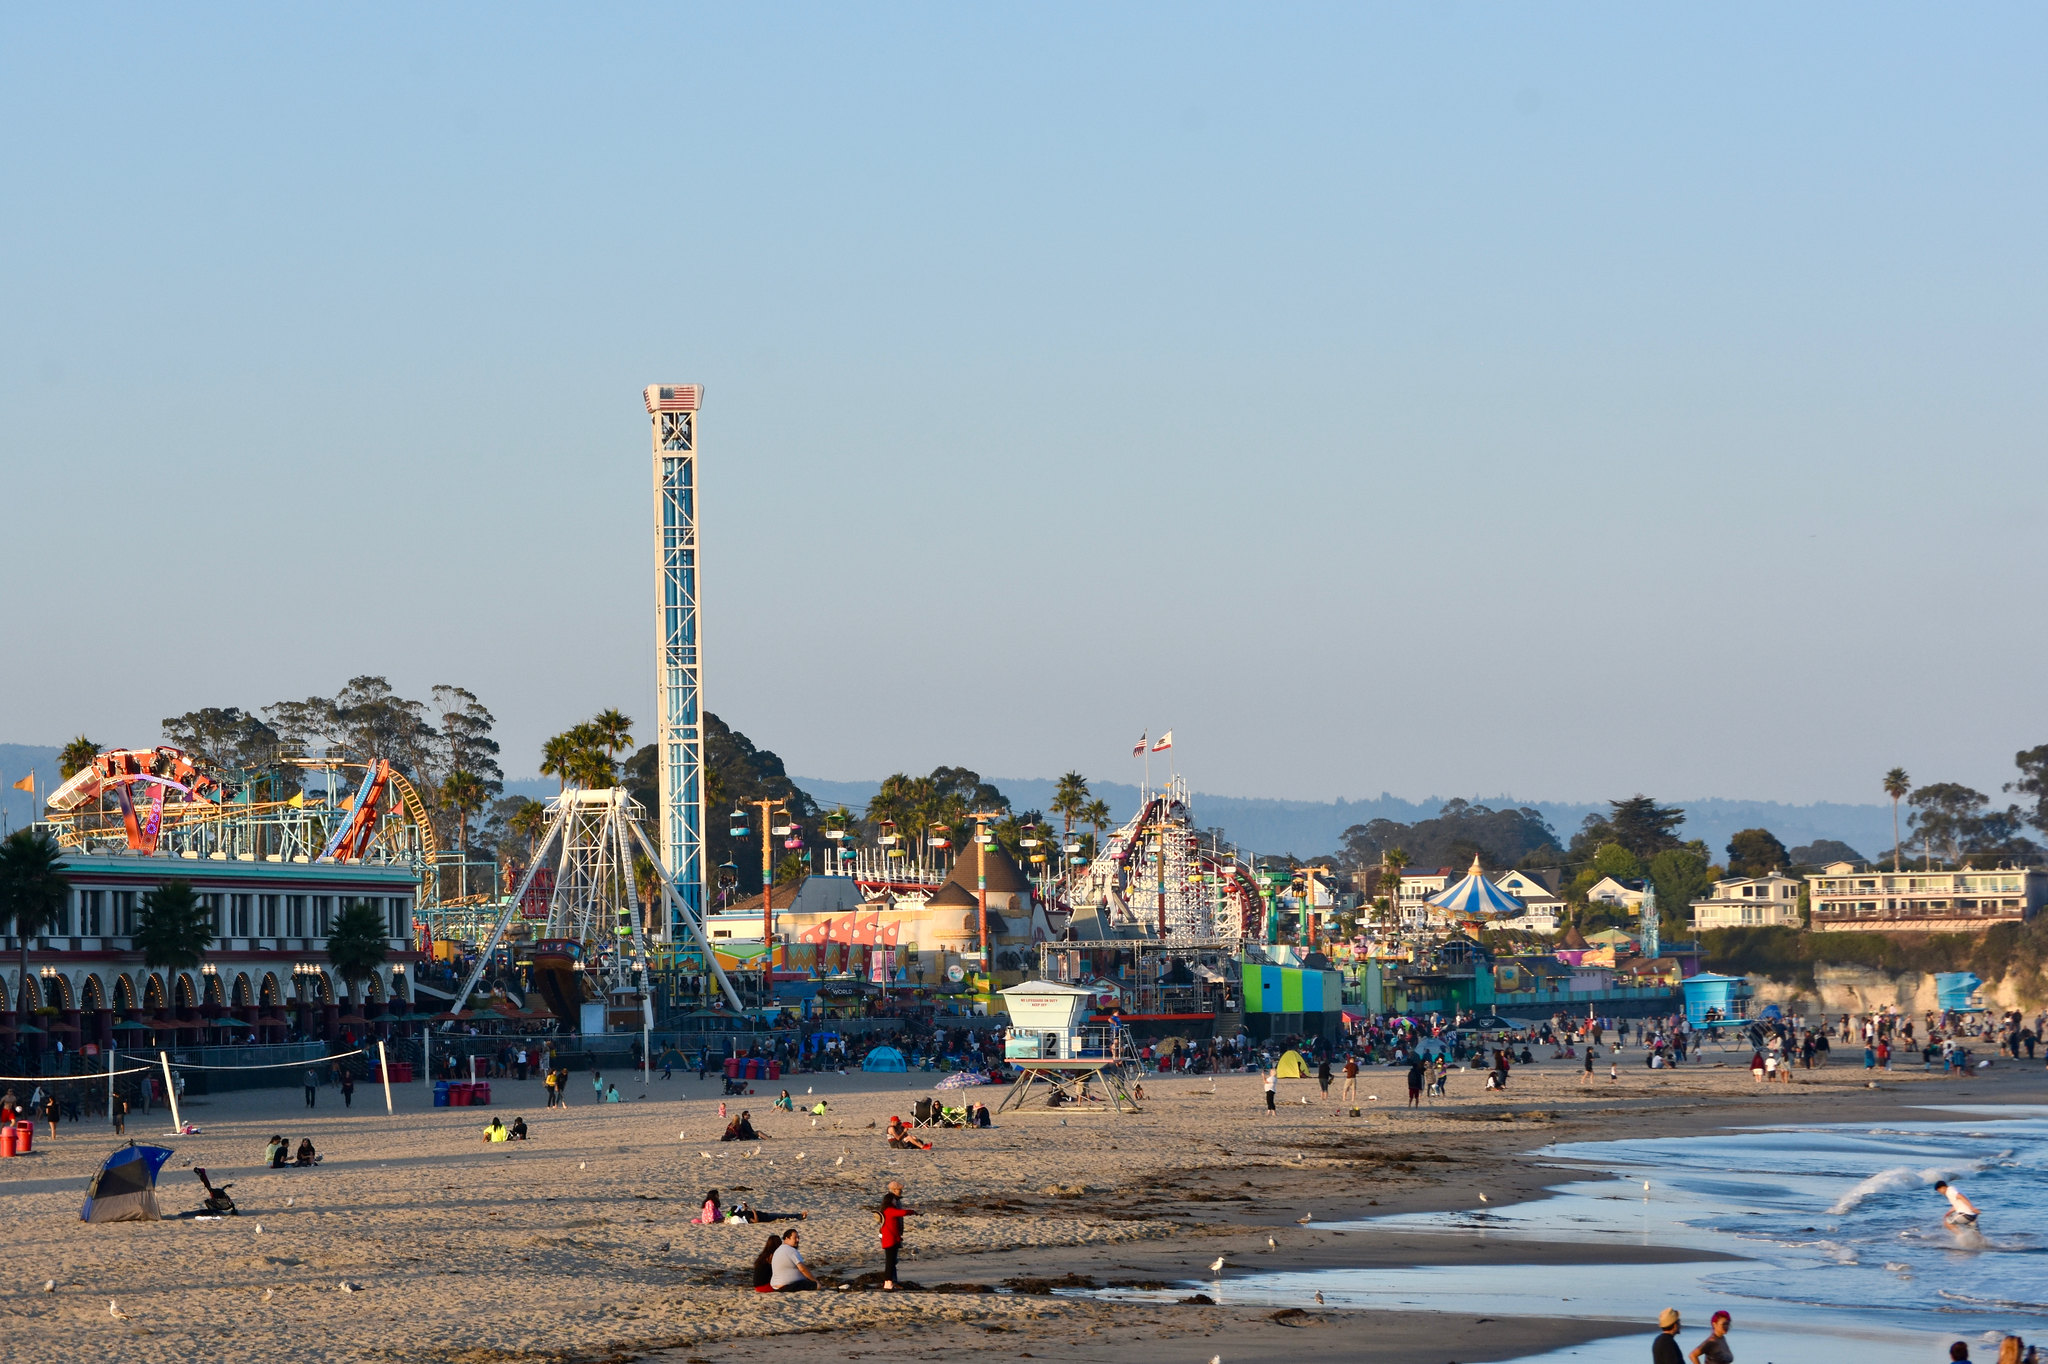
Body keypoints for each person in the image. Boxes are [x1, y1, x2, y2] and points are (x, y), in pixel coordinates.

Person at [879, 1179, 917, 1290]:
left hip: (892, 1238)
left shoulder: (889, 1208)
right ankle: (889, 1283)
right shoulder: (889, 1210)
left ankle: (890, 1282)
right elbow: (902, 1212)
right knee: (890, 1262)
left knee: (892, 1261)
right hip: (890, 1239)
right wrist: (912, 1211)